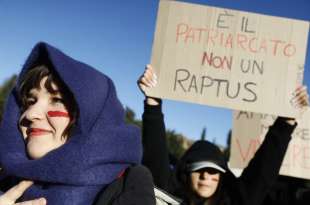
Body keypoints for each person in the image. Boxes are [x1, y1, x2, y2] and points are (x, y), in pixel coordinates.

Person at [0, 42, 154, 205]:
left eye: (57, 100)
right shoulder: (6, 179)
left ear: (92, 117)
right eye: (30, 101)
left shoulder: (128, 184)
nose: (30, 114)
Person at [138, 65, 309, 205]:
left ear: (221, 176)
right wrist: (153, 103)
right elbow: (155, 158)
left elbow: (262, 172)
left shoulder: (237, 201)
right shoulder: (167, 198)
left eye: (213, 171)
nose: (206, 176)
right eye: (199, 169)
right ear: (186, 172)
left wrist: (285, 123)